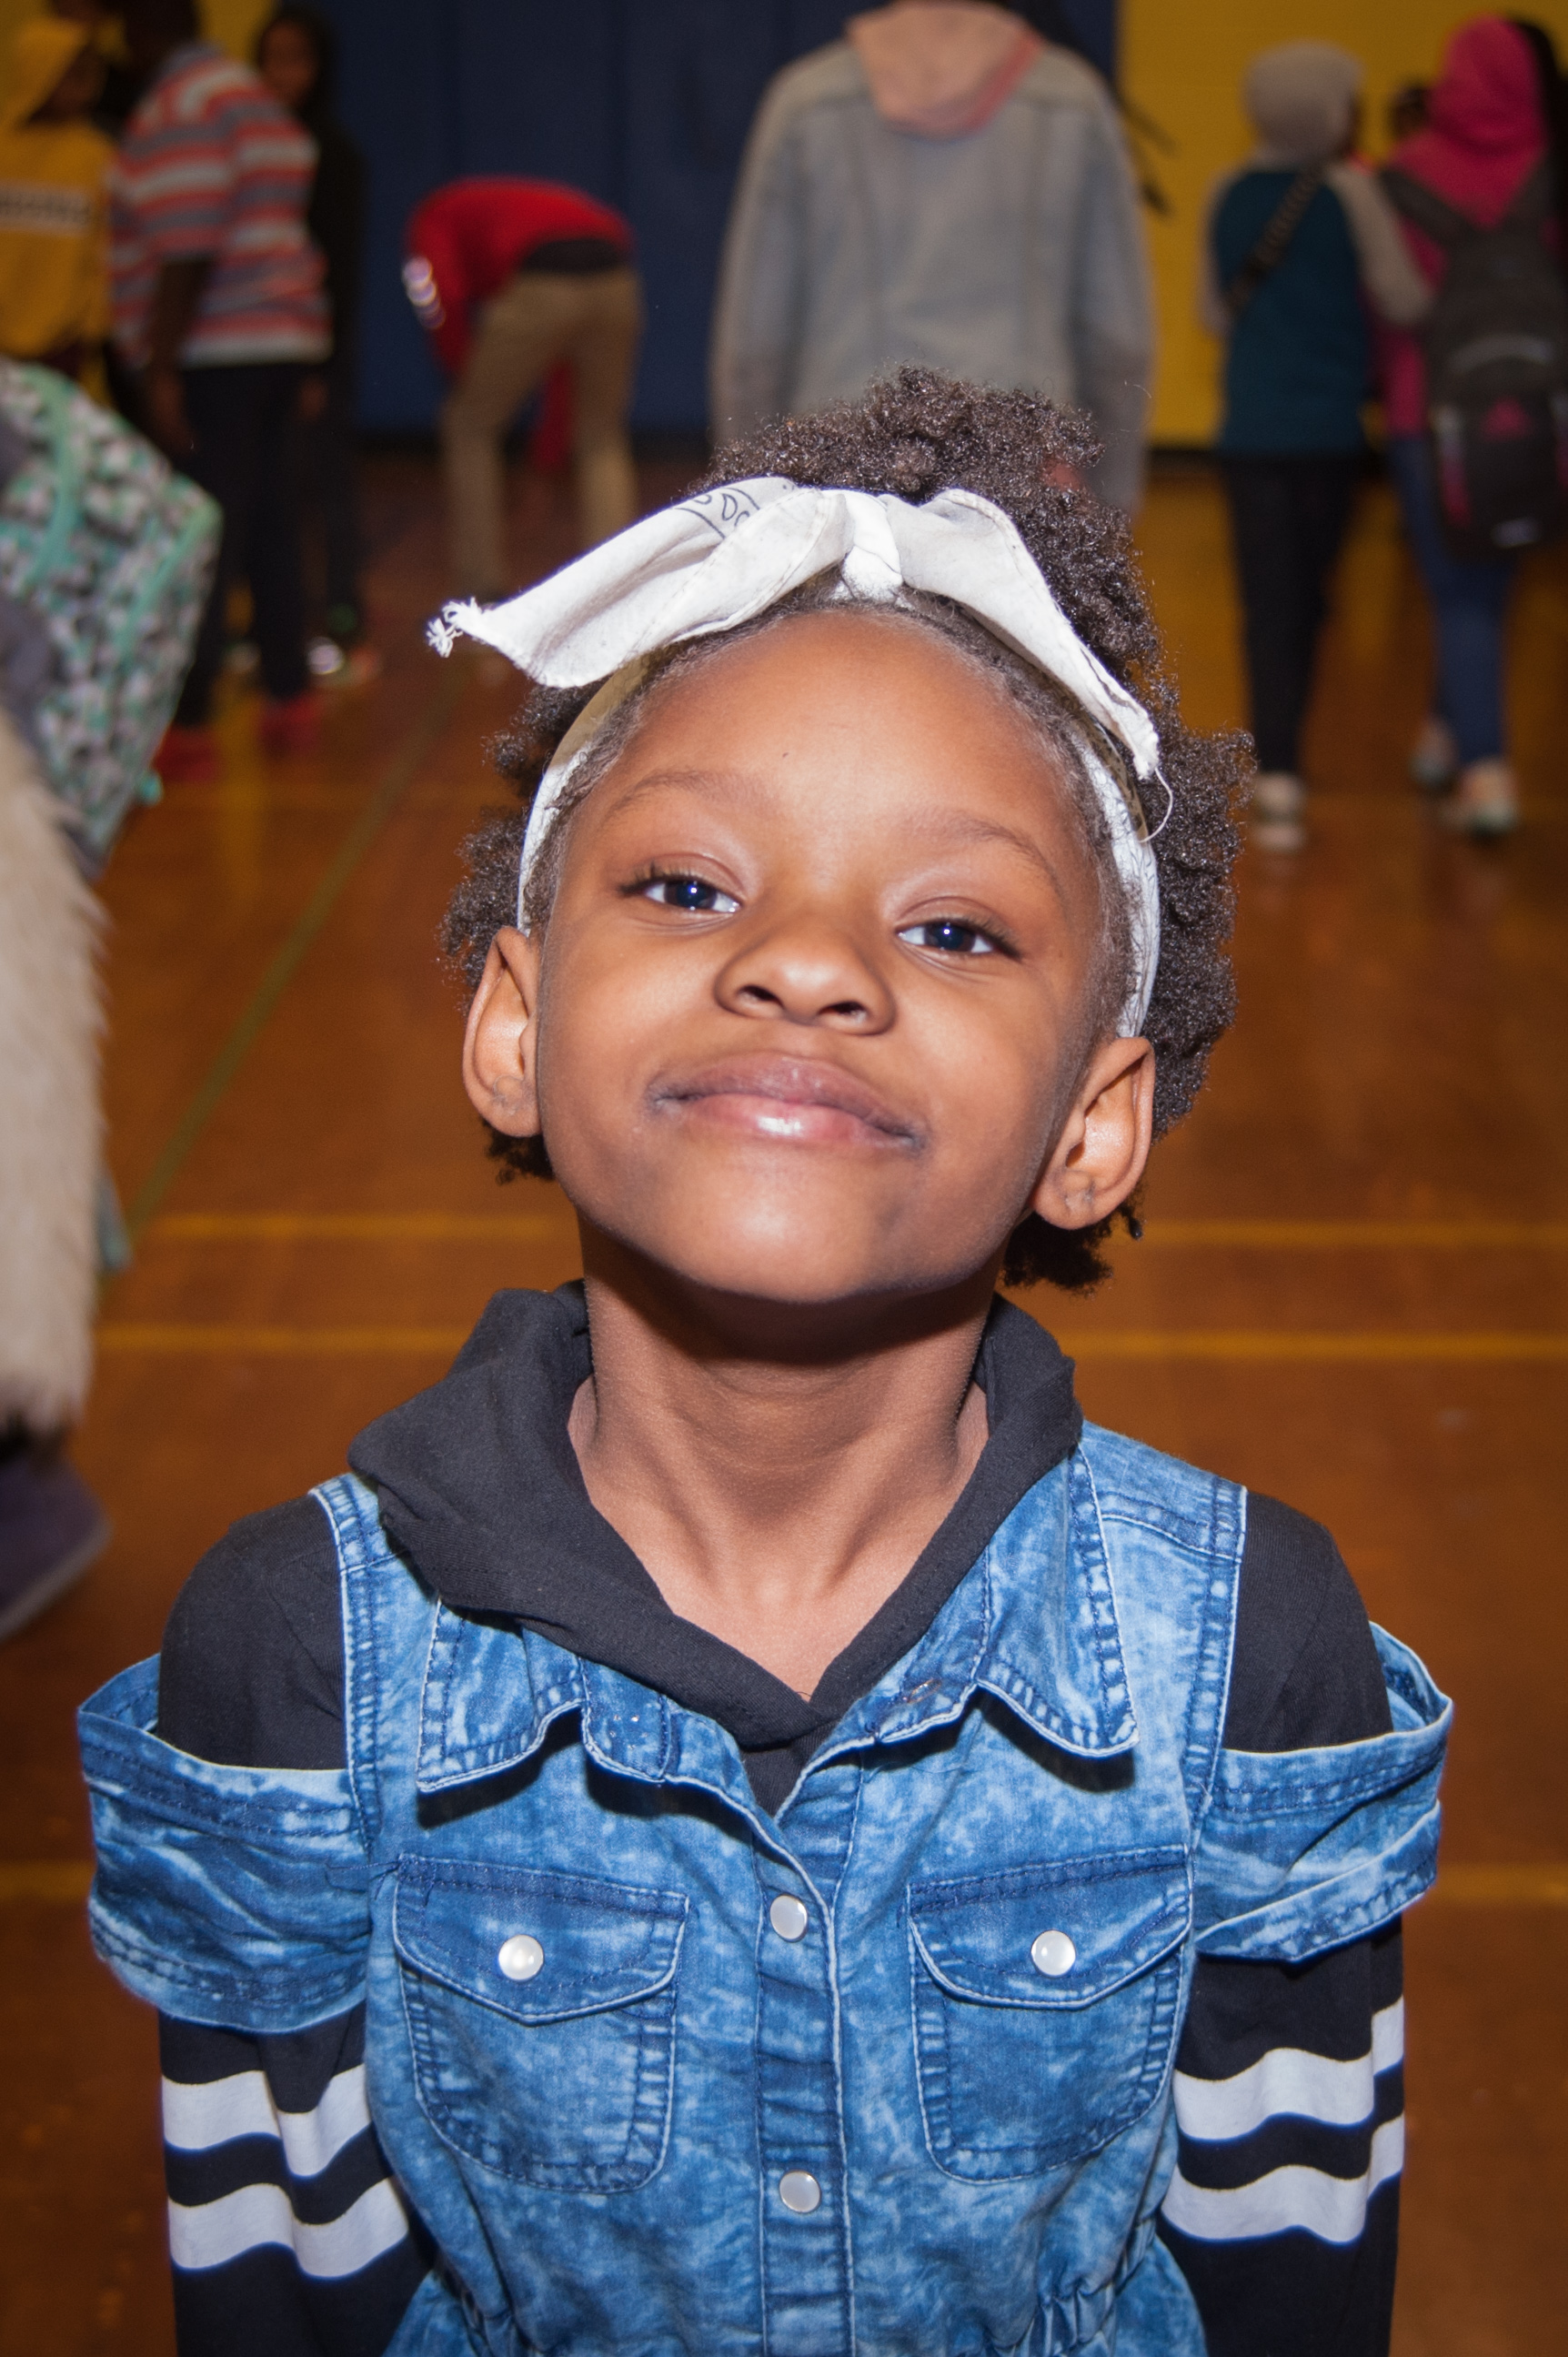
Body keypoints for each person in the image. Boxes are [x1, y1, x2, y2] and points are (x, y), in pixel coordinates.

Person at [81, 370, 1448, 2357]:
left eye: (956, 927)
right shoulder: (293, 1656)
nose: (806, 961)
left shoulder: (1252, 1651)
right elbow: (274, 2290)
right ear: (515, 1025)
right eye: (689, 884)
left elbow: (1293, 2289)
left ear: (1093, 1123)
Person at [711, 2, 1153, 510]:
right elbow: (1118, 339)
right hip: (1025, 480)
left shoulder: (806, 102)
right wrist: (1110, 502)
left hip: (840, 478)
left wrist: (751, 494)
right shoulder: (1071, 100)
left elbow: (755, 344)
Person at [1201, 44, 1431, 851]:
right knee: (1310, 595)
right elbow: (1403, 298)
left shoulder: (1226, 191)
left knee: (1265, 602)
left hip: (1249, 432)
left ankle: (1277, 772)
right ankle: (1290, 744)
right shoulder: (1352, 191)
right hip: (1330, 434)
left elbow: (1212, 313)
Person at [110, 0, 328, 784]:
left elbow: (188, 244)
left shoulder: (182, 106)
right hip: (282, 338)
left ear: (141, 29)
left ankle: (191, 720)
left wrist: (161, 367)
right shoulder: (249, 97)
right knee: (269, 521)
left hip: (215, 351)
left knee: (202, 534)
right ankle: (289, 696)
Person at [1380, 15, 1564, 837]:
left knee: (1457, 592)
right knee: (1491, 582)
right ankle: (1444, 733)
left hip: (1429, 418)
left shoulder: (1402, 174)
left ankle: (1486, 772)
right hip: (1539, 414)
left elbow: (1386, 307)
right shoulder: (1552, 170)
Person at [405, 176, 641, 601]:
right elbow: (560, 372)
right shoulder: (524, 206)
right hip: (617, 278)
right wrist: (545, 456)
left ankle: (480, 587)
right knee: (601, 437)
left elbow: (438, 296)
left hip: (543, 279)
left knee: (468, 425)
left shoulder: (431, 217)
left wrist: (460, 369)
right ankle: (616, 586)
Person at [255, 3, 375, 683]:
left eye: (297, 59)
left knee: (325, 483)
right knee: (272, 493)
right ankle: (279, 624)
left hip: (315, 352)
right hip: (257, 350)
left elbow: (341, 270)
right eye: (272, 59)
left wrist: (319, 367)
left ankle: (343, 615)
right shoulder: (246, 149)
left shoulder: (333, 154)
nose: (284, 74)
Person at [0, 16, 114, 384]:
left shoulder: (97, 155)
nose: (84, 87)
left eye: (88, 75)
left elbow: (104, 247)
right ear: (38, 69)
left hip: (63, 341)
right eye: (71, 74)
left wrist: (90, 326)